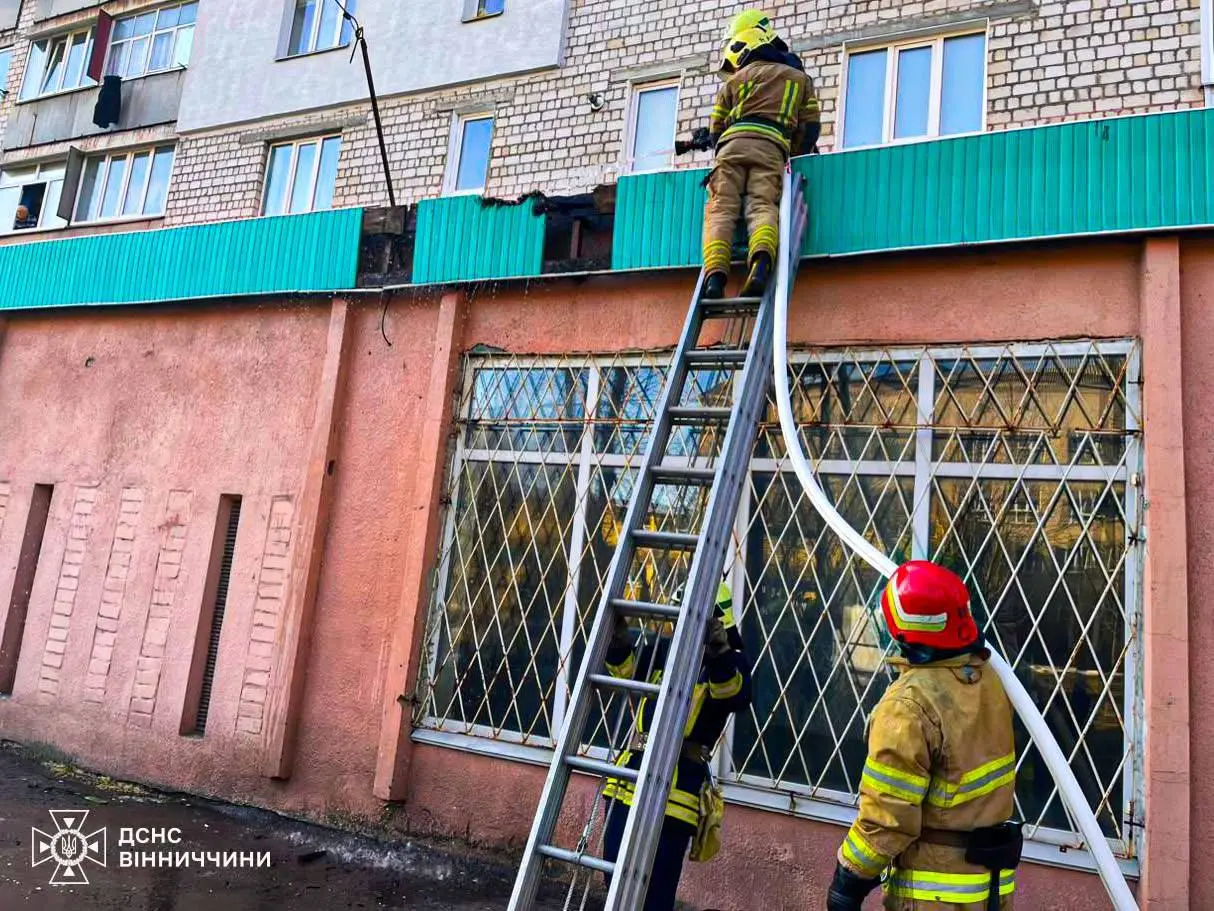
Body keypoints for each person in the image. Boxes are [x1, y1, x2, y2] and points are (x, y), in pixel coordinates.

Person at [828, 561, 1022, 911]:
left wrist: (848, 879)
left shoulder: (908, 705)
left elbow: (888, 818)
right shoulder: (990, 681)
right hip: (991, 889)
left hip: (933, 893)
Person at [601, 581, 751, 911]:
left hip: (676, 792)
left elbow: (733, 695)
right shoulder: (664, 651)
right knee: (613, 877)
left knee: (656, 892)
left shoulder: (731, 663)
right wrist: (618, 638)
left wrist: (718, 653)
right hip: (630, 780)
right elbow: (625, 672)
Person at [700, 9, 820, 301]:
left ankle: (715, 277)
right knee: (762, 205)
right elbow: (810, 127)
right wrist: (794, 153)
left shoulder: (734, 81)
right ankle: (761, 264)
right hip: (771, 149)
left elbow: (716, 127)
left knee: (721, 209)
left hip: (731, 148)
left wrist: (722, 147)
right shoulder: (798, 79)